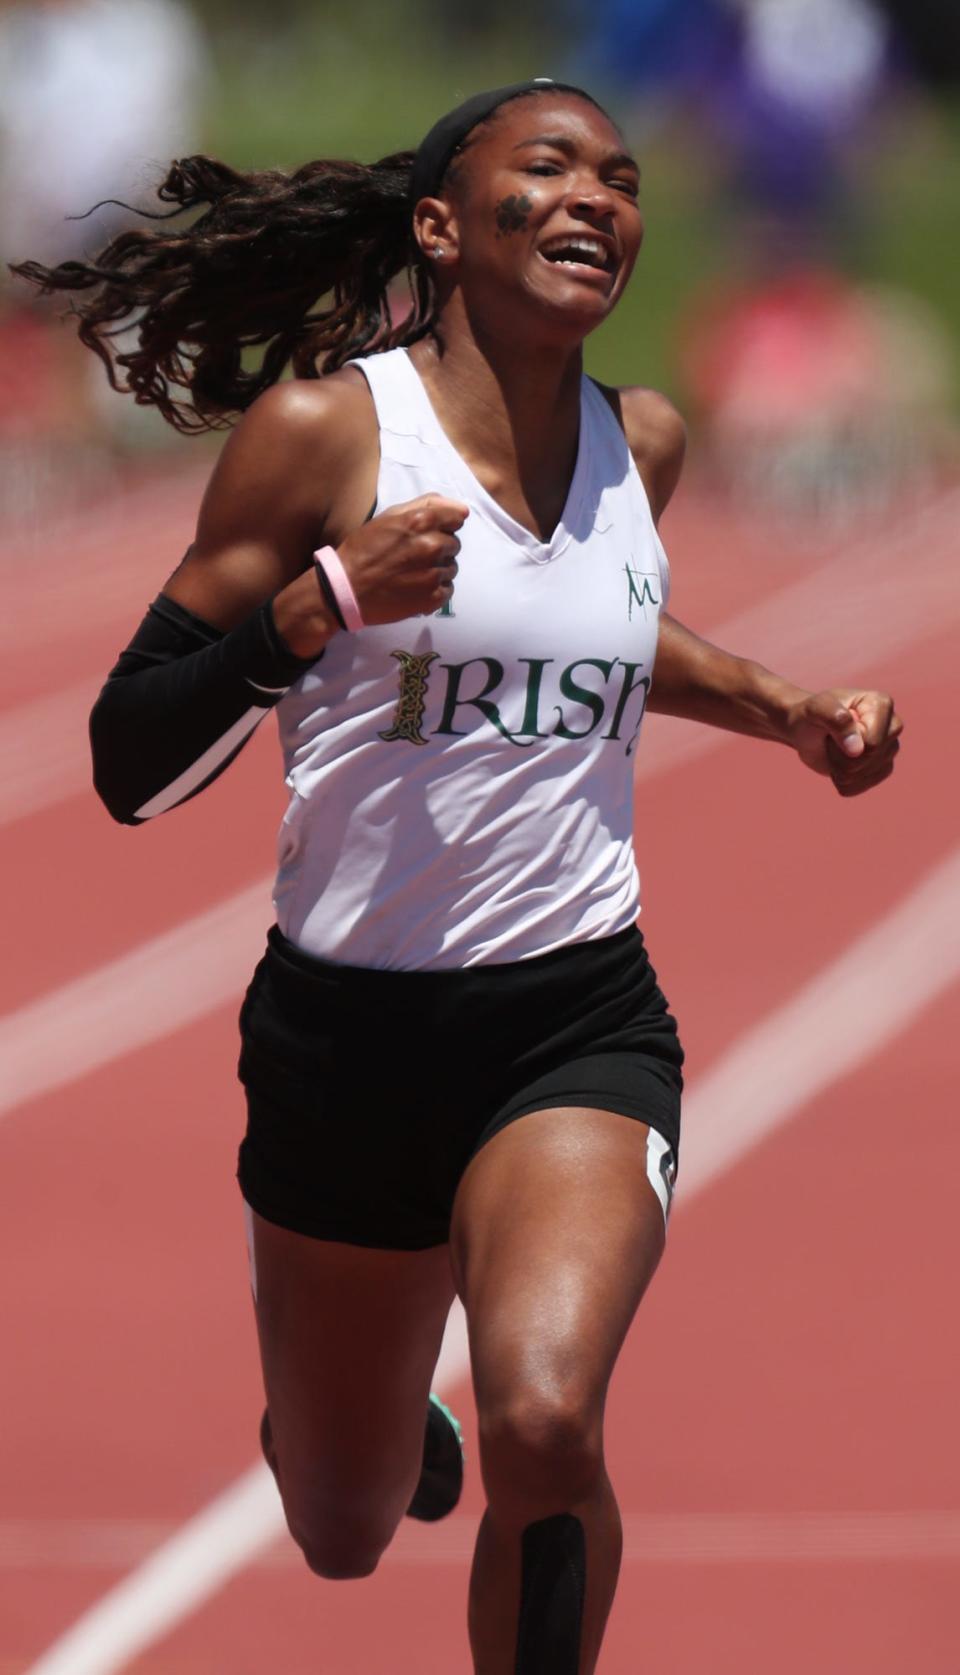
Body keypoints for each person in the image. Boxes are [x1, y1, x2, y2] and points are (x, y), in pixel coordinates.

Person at [12, 79, 902, 1674]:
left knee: (548, 1419)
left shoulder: (647, 441)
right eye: (548, 169)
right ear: (443, 224)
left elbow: (591, 633)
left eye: (621, 179)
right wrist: (320, 608)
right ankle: (362, 1416)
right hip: (342, 1044)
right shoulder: (325, 435)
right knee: (339, 1528)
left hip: (573, 1018)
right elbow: (130, 757)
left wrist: (780, 704)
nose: (597, 200)